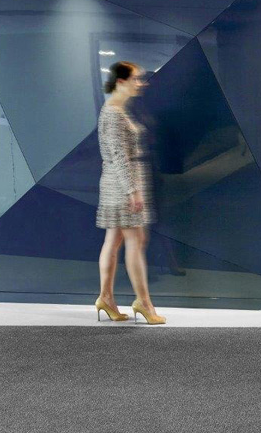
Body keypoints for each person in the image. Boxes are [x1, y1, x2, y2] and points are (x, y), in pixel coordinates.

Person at [94, 61, 166, 325]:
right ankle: (144, 303)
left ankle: (106, 298)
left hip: (122, 182)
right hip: (123, 184)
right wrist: (132, 191)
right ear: (121, 81)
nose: (141, 84)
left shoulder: (117, 110)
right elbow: (118, 157)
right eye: (136, 79)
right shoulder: (114, 113)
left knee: (115, 240)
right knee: (136, 240)